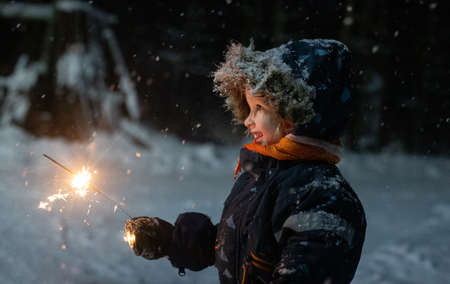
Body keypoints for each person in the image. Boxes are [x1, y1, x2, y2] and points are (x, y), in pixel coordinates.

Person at [125, 39, 366, 284]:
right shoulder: (260, 176)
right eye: (247, 108)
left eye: (259, 107)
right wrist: (176, 240)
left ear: (294, 114)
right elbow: (247, 246)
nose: (247, 121)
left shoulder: (322, 198)